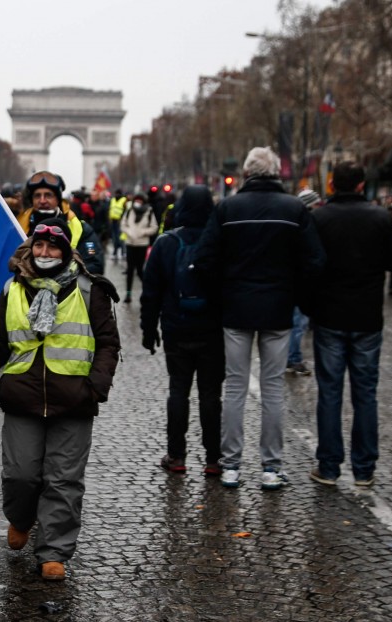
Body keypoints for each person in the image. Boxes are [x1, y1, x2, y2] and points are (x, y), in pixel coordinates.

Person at [0, 218, 120, 581]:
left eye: (53, 246)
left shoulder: (92, 290)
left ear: (66, 250)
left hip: (74, 400)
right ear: (30, 248)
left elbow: (108, 344)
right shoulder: (12, 289)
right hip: (23, 398)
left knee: (63, 479)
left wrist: (96, 388)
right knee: (21, 475)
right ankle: (20, 518)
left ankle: (54, 550)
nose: (45, 252)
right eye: (39, 245)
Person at [194, 147, 326, 489]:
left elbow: (204, 260)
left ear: (246, 172)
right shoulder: (295, 209)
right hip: (279, 309)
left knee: (235, 387)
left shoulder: (227, 208)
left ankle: (231, 466)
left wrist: (221, 294)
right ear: (276, 172)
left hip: (236, 308)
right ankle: (271, 467)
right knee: (272, 390)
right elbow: (315, 262)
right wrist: (297, 297)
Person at [306, 162, 392, 487]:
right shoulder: (380, 217)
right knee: (366, 394)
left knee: (330, 393)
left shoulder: (319, 218)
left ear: (332, 184)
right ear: (362, 185)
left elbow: (308, 265)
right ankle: (364, 469)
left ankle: (329, 466)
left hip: (330, 314)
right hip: (367, 316)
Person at [139, 185, 223, 476]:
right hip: (212, 330)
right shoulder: (220, 241)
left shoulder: (166, 243)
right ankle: (214, 459)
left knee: (178, 391)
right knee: (211, 395)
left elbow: (150, 293)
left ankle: (176, 456)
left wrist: (148, 331)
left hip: (177, 328)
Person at [287, 188, 323, 375]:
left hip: (294, 281)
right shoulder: (307, 225)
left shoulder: (295, 223)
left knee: (297, 322)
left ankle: (291, 357)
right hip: (301, 282)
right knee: (298, 323)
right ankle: (293, 359)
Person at [119, 192, 159, 303]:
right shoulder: (129, 210)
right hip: (130, 243)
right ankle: (128, 294)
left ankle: (147, 291)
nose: (138, 203)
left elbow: (154, 227)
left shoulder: (149, 211)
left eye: (140, 201)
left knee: (140, 270)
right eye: (136, 200)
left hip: (142, 244)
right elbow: (123, 224)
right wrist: (129, 232)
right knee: (130, 269)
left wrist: (143, 232)